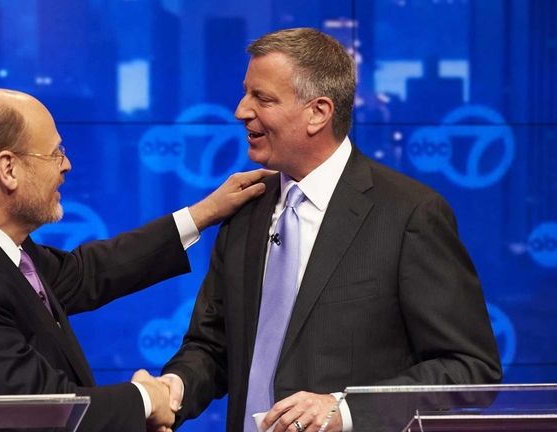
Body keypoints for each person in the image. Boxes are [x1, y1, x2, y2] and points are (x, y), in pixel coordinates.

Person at [160, 28, 502, 432]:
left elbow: (471, 368)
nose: (240, 110)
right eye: (246, 93)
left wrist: (348, 410)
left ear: (318, 113)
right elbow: (213, 346)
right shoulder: (245, 207)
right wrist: (171, 389)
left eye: (262, 98)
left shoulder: (409, 214)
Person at [0, 88, 271, 432]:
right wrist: (146, 400)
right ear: (7, 169)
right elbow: (35, 408)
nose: (67, 165)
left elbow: (85, 273)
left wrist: (201, 214)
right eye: (55, 153)